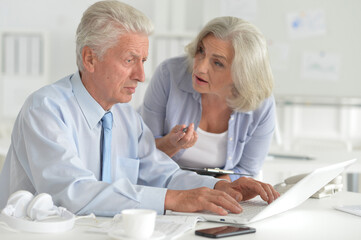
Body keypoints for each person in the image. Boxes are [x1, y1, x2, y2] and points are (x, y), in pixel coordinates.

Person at [0, 1, 279, 217]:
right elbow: (72, 193)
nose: (141, 75)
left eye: (143, 60)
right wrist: (175, 199)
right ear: (90, 58)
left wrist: (219, 187)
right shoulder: (46, 109)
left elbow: (161, 172)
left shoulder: (123, 115)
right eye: (130, 60)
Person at [139, 16, 275, 182]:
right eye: (201, 51)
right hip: (164, 182)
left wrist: (212, 189)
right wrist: (171, 144)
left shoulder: (260, 102)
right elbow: (141, 156)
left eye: (217, 63)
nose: (200, 67)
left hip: (219, 188)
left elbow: (247, 170)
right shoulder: (169, 74)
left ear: (242, 74)